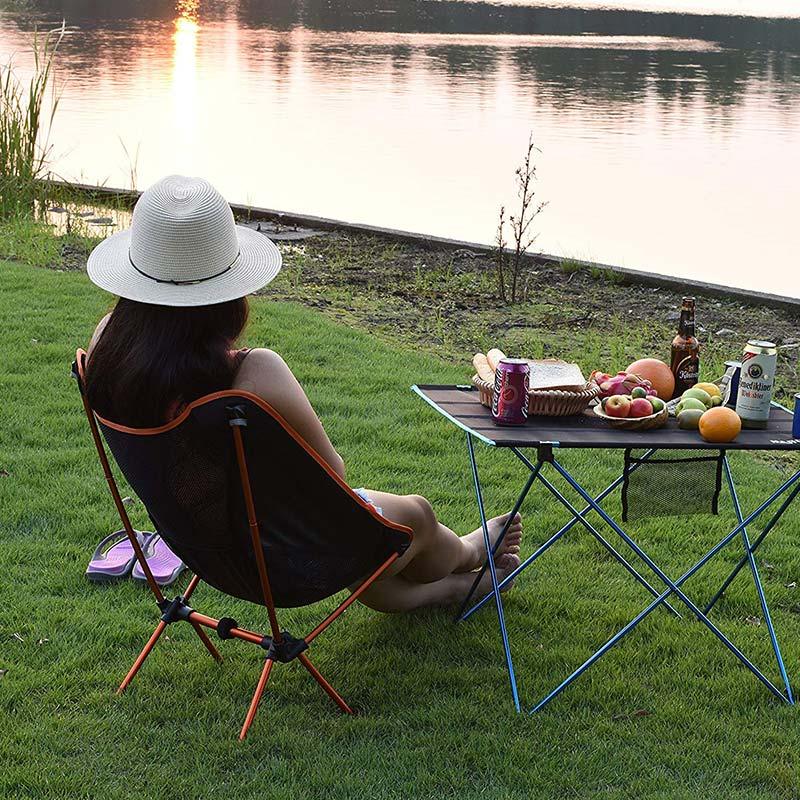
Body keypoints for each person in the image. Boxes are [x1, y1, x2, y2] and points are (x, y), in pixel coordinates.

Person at [85, 175, 523, 612]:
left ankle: (454, 590)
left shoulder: (108, 349)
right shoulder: (254, 373)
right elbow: (333, 472)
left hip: (204, 552)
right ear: (227, 290)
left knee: (370, 542)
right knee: (416, 517)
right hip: (291, 564)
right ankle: (470, 552)